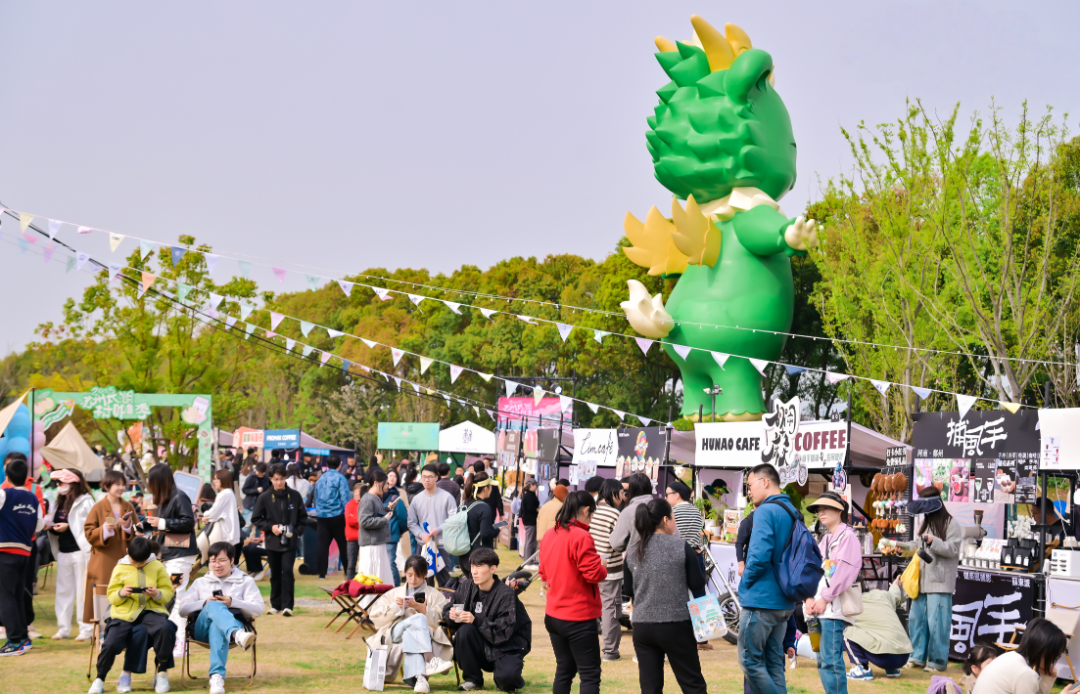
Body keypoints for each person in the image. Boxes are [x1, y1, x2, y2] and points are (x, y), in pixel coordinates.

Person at [627, 497, 708, 694]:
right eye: (673, 518)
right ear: (665, 519)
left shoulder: (632, 551)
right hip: (676, 624)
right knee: (692, 684)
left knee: (650, 687)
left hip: (642, 625)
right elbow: (697, 584)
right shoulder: (681, 546)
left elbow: (628, 591)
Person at [738, 463, 798, 694]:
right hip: (784, 602)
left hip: (762, 600)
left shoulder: (765, 511)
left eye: (750, 485)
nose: (748, 491)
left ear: (765, 482)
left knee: (749, 661)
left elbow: (759, 556)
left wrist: (746, 581)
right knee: (774, 663)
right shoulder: (791, 510)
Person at [539, 490, 607, 694]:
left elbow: (543, 571)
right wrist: (603, 564)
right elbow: (594, 574)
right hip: (578, 616)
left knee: (564, 670)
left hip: (554, 614)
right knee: (589, 674)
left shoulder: (551, 533)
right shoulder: (581, 536)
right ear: (586, 511)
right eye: (592, 514)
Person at [89, 536, 176, 694]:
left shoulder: (157, 566)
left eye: (141, 563)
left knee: (165, 628)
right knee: (111, 643)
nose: (137, 565)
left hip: (152, 611)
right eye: (134, 561)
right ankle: (100, 678)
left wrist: (156, 593)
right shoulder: (120, 567)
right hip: (123, 613)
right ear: (128, 552)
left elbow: (168, 593)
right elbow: (112, 596)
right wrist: (122, 593)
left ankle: (162, 671)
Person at [177, 541, 262, 694]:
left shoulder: (245, 581)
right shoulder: (200, 582)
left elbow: (258, 608)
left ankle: (216, 677)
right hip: (201, 630)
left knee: (218, 626)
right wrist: (204, 603)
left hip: (227, 628)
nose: (217, 565)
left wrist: (233, 602)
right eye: (213, 561)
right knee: (212, 605)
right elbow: (182, 610)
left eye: (222, 560)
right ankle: (237, 634)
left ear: (232, 560)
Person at [444, 547, 531, 692]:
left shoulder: (506, 595)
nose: (474, 571)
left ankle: (509, 674)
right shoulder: (466, 587)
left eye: (479, 566)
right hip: (479, 645)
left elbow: (504, 632)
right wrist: (451, 615)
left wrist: (476, 620)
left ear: (493, 569)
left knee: (507, 683)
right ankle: (473, 679)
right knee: (465, 630)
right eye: (472, 566)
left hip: (506, 647)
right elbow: (449, 608)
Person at [366, 555, 455, 693]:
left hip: (420, 636)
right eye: (410, 575)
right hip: (395, 632)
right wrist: (395, 608)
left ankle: (419, 679)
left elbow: (442, 619)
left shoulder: (435, 594)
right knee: (418, 621)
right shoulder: (394, 593)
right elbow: (375, 616)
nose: (413, 579)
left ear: (426, 574)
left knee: (412, 633)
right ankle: (430, 659)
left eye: (418, 575)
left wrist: (423, 610)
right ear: (404, 573)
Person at [803, 492, 862, 694]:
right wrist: (808, 597)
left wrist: (824, 598)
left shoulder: (848, 537)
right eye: (819, 509)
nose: (821, 512)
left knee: (830, 660)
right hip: (818, 609)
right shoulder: (827, 538)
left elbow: (843, 574)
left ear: (839, 510)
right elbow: (812, 569)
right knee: (822, 659)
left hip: (831, 609)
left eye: (825, 508)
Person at [139, 463, 198, 657]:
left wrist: (163, 523)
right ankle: (175, 639)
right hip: (172, 556)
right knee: (173, 596)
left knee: (177, 596)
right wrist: (141, 526)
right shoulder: (167, 498)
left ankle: (180, 641)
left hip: (179, 557)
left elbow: (188, 522)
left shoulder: (178, 496)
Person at [906, 486, 961, 672]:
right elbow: (916, 545)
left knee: (938, 623)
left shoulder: (951, 523)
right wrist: (899, 546)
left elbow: (952, 550)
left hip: (940, 582)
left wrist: (933, 541)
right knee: (917, 620)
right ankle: (917, 657)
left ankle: (937, 661)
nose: (925, 510)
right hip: (921, 581)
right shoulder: (927, 523)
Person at [0, 455, 44, 656]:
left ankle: (15, 641)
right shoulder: (33, 498)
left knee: (5, 597)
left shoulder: (3, 494)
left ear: (6, 475)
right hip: (25, 552)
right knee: (17, 596)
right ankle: (23, 638)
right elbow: (39, 525)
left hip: (5, 551)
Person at [251, 464, 307, 616]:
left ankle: (288, 605)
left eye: (282, 479)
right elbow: (256, 518)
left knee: (288, 571)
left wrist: (296, 532)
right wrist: (271, 527)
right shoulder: (264, 497)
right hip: (272, 541)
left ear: (286, 479)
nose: (279, 482)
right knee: (275, 573)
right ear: (271, 479)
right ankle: (275, 604)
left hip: (290, 541)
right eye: (276, 479)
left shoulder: (294, 496)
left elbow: (303, 518)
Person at [83, 471, 137, 628]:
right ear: (107, 486)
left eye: (123, 484)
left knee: (124, 594)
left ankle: (122, 630)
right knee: (102, 595)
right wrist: (105, 529)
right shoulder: (98, 507)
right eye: (117, 484)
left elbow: (135, 533)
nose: (121, 488)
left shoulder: (128, 506)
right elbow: (89, 533)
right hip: (103, 560)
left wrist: (127, 528)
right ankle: (101, 634)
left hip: (125, 559)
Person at [46, 468, 94, 641]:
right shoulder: (58, 502)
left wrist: (68, 527)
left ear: (72, 482)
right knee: (63, 591)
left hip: (81, 552)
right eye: (56, 483)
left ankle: (86, 629)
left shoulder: (86, 501)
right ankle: (63, 628)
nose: (58, 485)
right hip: (63, 552)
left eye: (60, 482)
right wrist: (51, 526)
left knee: (83, 592)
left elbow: (92, 526)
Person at [972, 618, 1080, 694]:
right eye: (1056, 655)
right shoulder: (1024, 673)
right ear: (1045, 652)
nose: (1054, 660)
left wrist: (1048, 678)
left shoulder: (1009, 657)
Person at [667, 479, 711, 650]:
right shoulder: (696, 511)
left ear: (676, 495)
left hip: (678, 554)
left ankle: (679, 636)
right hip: (696, 555)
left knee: (677, 595)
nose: (666, 497)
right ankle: (703, 638)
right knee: (700, 595)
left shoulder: (671, 512)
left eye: (668, 494)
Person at [844, 578, 914, 681]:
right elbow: (894, 596)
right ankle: (892, 670)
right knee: (877, 629)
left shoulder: (849, 605)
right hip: (904, 655)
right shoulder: (880, 595)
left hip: (886, 658)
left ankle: (862, 668)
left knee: (845, 631)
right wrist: (895, 585)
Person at [590, 478, 625, 662]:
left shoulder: (591, 510)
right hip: (610, 569)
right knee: (610, 609)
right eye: (621, 494)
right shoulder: (614, 514)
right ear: (613, 494)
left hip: (590, 567)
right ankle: (610, 651)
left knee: (594, 607)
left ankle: (596, 649)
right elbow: (618, 543)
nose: (623, 498)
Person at [406, 464, 458, 587]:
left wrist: (439, 530)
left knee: (445, 583)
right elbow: (411, 522)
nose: (426, 480)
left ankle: (445, 605)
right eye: (424, 477)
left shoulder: (447, 497)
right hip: (423, 546)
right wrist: (421, 534)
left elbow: (454, 519)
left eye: (430, 477)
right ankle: (423, 606)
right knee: (423, 581)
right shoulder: (417, 499)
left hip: (442, 545)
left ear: (436, 478)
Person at [608, 472, 653, 601]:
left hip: (636, 564)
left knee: (639, 604)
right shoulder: (662, 507)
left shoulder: (628, 511)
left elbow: (616, 543)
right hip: (663, 565)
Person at [313, 455, 351, 579]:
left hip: (322, 515)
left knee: (323, 545)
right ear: (340, 465)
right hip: (337, 515)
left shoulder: (320, 479)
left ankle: (321, 574)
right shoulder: (341, 478)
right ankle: (348, 571)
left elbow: (316, 497)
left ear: (327, 465)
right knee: (343, 545)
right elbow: (345, 498)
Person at [456, 472, 500, 577]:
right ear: (485, 488)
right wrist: (497, 530)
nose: (491, 489)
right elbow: (485, 534)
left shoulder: (463, 505)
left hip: (463, 555)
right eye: (491, 487)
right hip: (479, 557)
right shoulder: (484, 508)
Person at [358, 469, 396, 585]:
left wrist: (387, 509)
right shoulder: (367, 499)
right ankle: (370, 602)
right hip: (371, 545)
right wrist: (385, 519)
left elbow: (376, 513)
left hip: (377, 543)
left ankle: (380, 601)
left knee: (380, 575)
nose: (387, 487)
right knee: (373, 576)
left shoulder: (376, 498)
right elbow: (364, 521)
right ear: (376, 483)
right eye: (385, 484)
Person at [198, 470, 241, 563]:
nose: (214, 481)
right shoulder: (228, 493)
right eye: (214, 479)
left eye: (217, 479)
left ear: (224, 480)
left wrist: (205, 515)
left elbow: (214, 512)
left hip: (224, 531)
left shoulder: (224, 494)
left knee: (219, 557)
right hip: (228, 530)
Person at [384, 469, 408, 587]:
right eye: (389, 476)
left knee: (390, 562)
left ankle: (397, 588)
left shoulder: (397, 495)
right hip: (378, 533)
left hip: (391, 532)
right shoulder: (379, 494)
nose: (392, 478)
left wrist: (400, 530)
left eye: (394, 476)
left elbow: (403, 517)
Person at [344, 482, 365, 580]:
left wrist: (358, 520)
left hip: (364, 537)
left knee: (364, 563)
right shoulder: (349, 504)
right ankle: (349, 583)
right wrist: (361, 521)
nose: (357, 494)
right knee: (351, 563)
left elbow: (368, 519)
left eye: (359, 491)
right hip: (352, 538)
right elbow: (349, 520)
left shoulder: (366, 504)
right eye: (355, 491)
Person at [240, 462, 269, 528]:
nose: (260, 475)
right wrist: (256, 490)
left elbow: (269, 490)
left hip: (262, 505)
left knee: (260, 527)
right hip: (251, 504)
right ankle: (244, 538)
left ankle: (258, 538)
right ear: (256, 470)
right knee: (246, 526)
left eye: (262, 473)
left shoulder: (266, 479)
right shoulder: (251, 477)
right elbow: (244, 489)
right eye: (259, 473)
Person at [519, 479, 540, 561]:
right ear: (531, 485)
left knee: (529, 541)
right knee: (530, 541)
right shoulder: (529, 496)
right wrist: (537, 510)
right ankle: (528, 560)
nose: (537, 487)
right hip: (530, 521)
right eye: (536, 485)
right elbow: (530, 508)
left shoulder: (529, 495)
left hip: (529, 521)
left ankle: (528, 559)